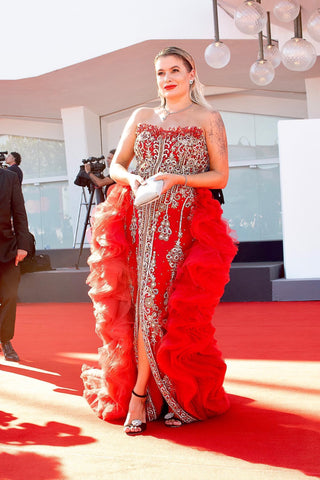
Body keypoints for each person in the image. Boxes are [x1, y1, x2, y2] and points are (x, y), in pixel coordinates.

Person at [81, 46, 237, 435]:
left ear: (191, 74)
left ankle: (169, 394)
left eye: (174, 70)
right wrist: (129, 178)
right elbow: (118, 163)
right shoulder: (142, 115)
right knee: (141, 304)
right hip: (139, 219)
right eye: (160, 73)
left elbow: (220, 176)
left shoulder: (208, 118)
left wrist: (177, 179)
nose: (167, 78)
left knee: (172, 311)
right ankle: (138, 394)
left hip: (184, 223)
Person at [0, 167, 30, 361]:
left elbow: (20, 213)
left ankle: (5, 340)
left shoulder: (10, 178)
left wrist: (23, 246)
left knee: (10, 296)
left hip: (7, 247)